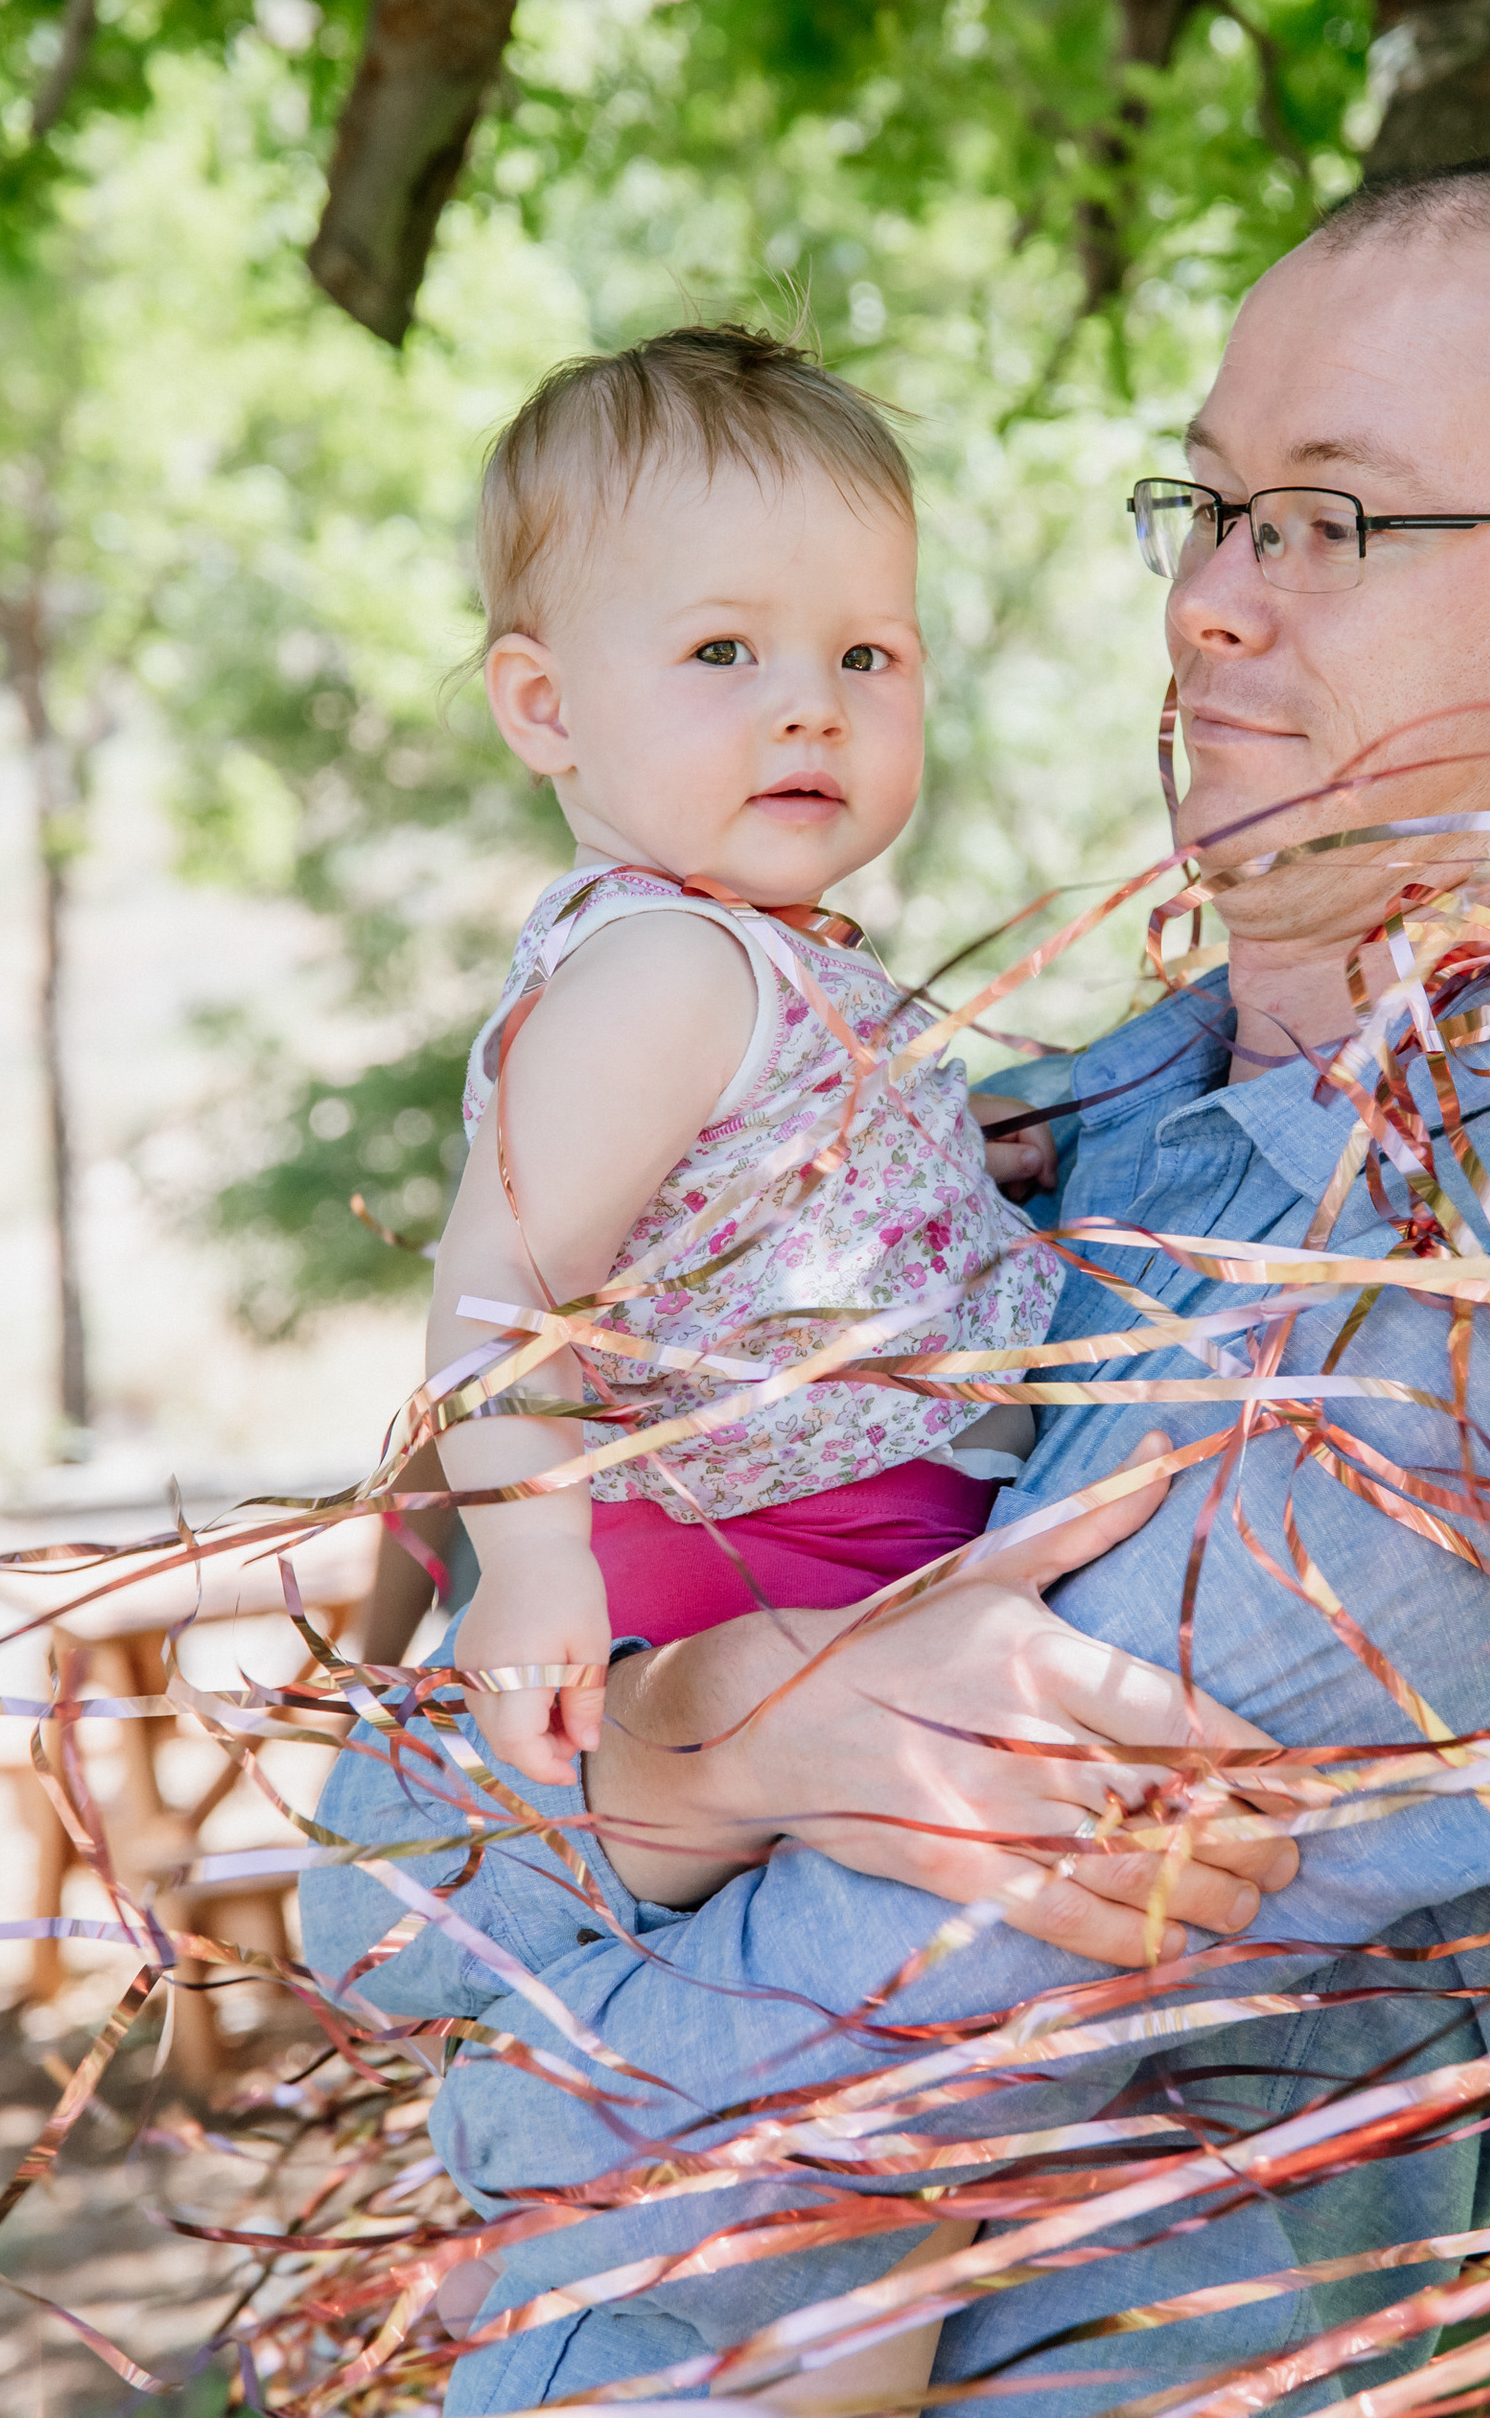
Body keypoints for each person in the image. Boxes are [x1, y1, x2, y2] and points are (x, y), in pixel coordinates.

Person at [300, 157, 1490, 2416]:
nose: (1213, 599)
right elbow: (373, 1863)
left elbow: (731, 2104)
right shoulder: (1049, 1133)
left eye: (1333, 518)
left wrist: (641, 1801)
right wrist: (746, 1716)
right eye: (1206, 506)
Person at [391, 323, 1187, 2409]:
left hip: (833, 1549)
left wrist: (962, 1157)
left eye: (866, 654)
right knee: (856, 2184)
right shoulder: (663, 964)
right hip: (732, 1561)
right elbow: (496, 1289)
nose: (809, 707)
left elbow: (789, 1209)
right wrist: (539, 1561)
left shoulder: (779, 963)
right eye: (725, 653)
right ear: (543, 704)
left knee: (833, 2156)